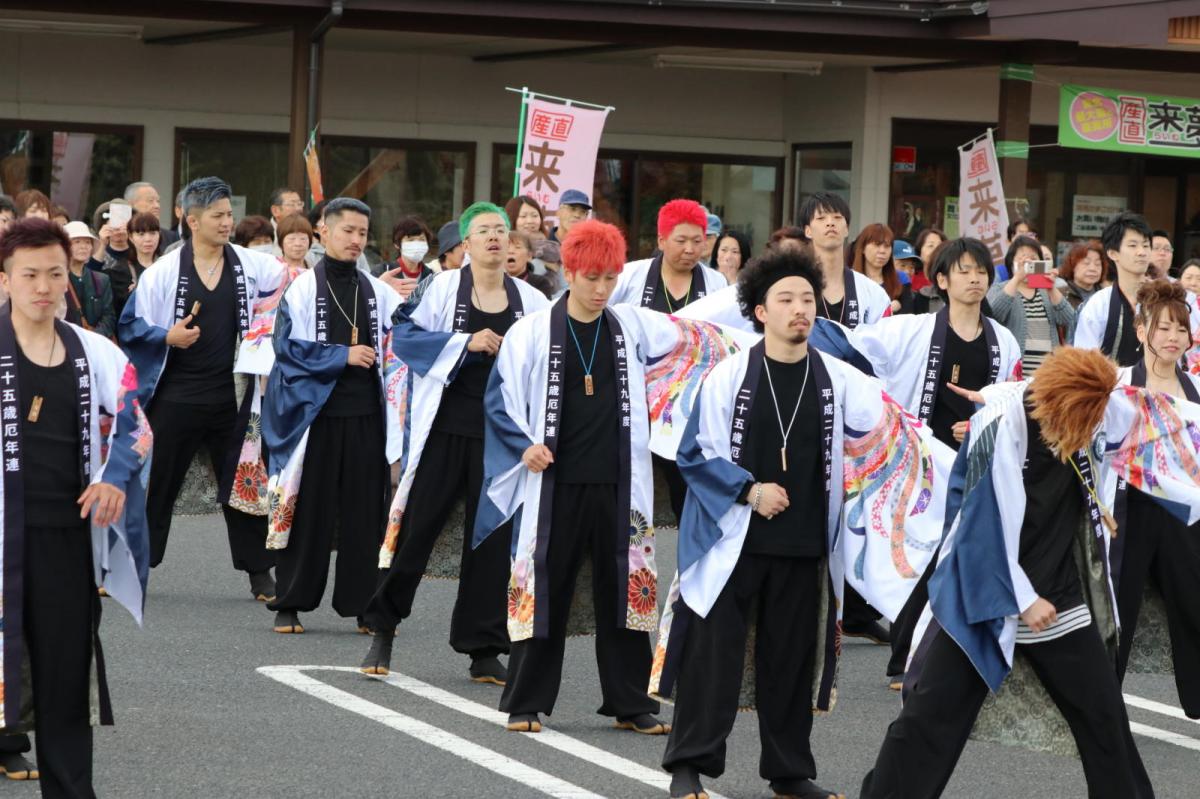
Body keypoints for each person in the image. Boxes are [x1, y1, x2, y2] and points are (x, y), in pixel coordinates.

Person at [655, 246, 950, 799]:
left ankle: (788, 772)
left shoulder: (840, 379)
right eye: (785, 299)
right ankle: (688, 767)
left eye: (808, 299)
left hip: (805, 546)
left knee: (789, 664)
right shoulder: (730, 375)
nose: (800, 309)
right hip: (732, 545)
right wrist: (748, 490)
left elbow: (893, 435)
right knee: (713, 662)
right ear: (759, 311)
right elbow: (693, 452)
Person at [858, 345, 1200, 799]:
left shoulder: (1096, 404)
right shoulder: (1002, 427)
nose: (1096, 425)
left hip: (1058, 592)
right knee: (930, 718)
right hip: (982, 594)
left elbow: (1166, 421)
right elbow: (979, 527)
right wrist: (1021, 599)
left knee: (1103, 717)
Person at [475, 219, 740, 737]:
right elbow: (499, 400)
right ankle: (526, 701)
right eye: (591, 277)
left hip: (621, 483)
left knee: (625, 589)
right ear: (569, 271)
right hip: (553, 482)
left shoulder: (632, 325)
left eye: (610, 278)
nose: (601, 289)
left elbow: (698, 339)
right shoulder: (531, 331)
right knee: (544, 584)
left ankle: (629, 701)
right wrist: (524, 446)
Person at [359, 202, 551, 681]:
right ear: (464, 244)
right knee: (417, 531)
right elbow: (401, 335)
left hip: (502, 438)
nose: (494, 238)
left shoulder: (531, 300)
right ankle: (383, 628)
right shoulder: (442, 286)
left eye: (501, 231)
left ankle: (483, 647)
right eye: (483, 231)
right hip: (445, 428)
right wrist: (464, 342)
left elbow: (551, 361)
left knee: (490, 540)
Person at [0, 217, 151, 799]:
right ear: (6, 280)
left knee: (65, 676)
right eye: (29, 274)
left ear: (69, 278)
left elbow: (136, 423)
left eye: (54, 274)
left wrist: (115, 477)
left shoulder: (97, 352)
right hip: (3, 535)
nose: (43, 286)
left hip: (66, 536)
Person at [848, 237, 1023, 689]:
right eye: (963, 271)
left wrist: (983, 424)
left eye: (981, 270)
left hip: (975, 464)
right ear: (941, 281)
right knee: (919, 558)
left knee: (961, 557)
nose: (974, 278)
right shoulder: (911, 329)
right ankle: (904, 659)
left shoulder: (1003, 341)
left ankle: (950, 655)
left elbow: (1011, 402)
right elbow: (856, 352)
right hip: (921, 465)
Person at [118, 176, 286, 600]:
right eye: (217, 216)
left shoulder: (251, 265)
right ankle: (135, 563)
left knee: (244, 483)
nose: (227, 222)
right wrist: (166, 336)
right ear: (192, 220)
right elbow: (130, 325)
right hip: (175, 395)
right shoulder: (163, 273)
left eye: (229, 214)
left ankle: (259, 573)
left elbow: (291, 283)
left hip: (231, 396)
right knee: (158, 485)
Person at [260, 198, 404, 635]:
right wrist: (341, 355)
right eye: (348, 231)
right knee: (310, 510)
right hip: (316, 417)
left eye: (363, 233)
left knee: (365, 513)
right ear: (325, 232)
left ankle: (363, 605)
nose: (356, 240)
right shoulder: (302, 288)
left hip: (367, 416)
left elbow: (399, 351)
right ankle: (291, 602)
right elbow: (284, 348)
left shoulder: (379, 291)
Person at [608, 199, 728, 525]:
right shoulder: (630, 276)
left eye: (697, 241)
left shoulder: (716, 284)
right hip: (636, 397)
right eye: (681, 240)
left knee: (684, 491)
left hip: (689, 403)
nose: (690, 249)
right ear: (661, 241)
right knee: (631, 483)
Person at [1112, 279, 1200, 718]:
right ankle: (1101, 704)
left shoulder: (1195, 387)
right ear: (1141, 329)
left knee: (1194, 601)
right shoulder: (1120, 383)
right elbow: (1054, 405)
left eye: (1180, 330)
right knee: (1119, 608)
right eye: (1163, 328)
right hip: (1131, 512)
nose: (1172, 338)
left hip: (1185, 518)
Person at [1072, 211, 1196, 367]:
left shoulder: (1168, 299)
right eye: (1133, 245)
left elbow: (1190, 351)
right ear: (1112, 253)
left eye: (1146, 245)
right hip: (1111, 389)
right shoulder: (1098, 304)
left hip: (1161, 390)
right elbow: (1084, 360)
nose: (1142, 252)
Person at [799, 193, 890, 329]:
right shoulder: (792, 287)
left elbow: (885, 342)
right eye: (821, 218)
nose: (830, 223)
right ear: (808, 231)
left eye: (837, 217)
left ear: (846, 229)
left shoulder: (873, 293)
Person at [987, 235, 1075, 373]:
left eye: (1033, 259)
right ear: (1011, 263)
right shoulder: (1000, 288)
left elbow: (1070, 319)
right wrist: (1017, 278)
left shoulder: (1048, 291)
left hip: (1048, 374)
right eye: (1022, 260)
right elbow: (994, 315)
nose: (1028, 264)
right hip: (1015, 373)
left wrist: (1050, 287)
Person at [62, 221, 116, 338]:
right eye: (76, 242)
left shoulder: (101, 279)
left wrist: (93, 338)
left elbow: (109, 316)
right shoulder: (57, 279)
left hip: (96, 344)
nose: (83, 246)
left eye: (87, 242)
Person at [851, 223, 911, 315]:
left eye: (887, 246)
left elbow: (908, 316)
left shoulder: (901, 279)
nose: (882, 251)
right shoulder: (849, 280)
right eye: (877, 245)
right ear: (863, 248)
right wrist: (888, 309)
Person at [375, 215, 434, 301]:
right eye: (410, 240)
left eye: (421, 240)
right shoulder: (382, 271)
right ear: (396, 244)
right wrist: (381, 289)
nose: (417, 244)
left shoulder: (431, 276)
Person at [125, 181, 180, 248]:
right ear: (131, 204)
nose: (157, 206)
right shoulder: (120, 236)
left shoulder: (171, 238)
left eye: (158, 201)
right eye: (150, 201)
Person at [1058, 239, 1108, 311]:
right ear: (1072, 266)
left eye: (1097, 264)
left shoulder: (1106, 295)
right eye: (1086, 263)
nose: (1093, 268)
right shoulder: (1060, 294)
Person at [506, 229, 554, 298]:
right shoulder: (493, 283)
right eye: (507, 247)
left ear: (529, 256)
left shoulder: (540, 283)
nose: (510, 251)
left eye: (517, 247)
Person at [268, 187, 304, 251]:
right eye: (292, 204)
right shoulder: (264, 235)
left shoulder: (306, 232)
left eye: (299, 204)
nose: (299, 209)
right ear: (275, 211)